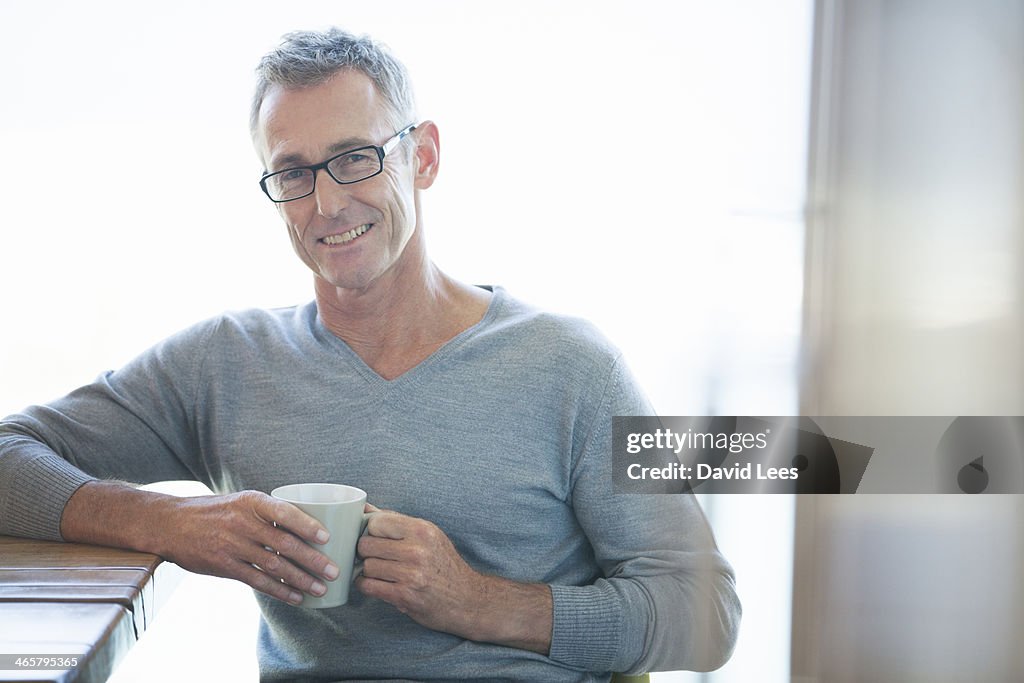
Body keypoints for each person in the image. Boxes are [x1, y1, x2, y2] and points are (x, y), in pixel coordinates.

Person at [0, 28, 740, 682]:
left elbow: (705, 610)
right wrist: (171, 523)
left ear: (423, 157)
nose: (326, 204)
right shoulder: (224, 363)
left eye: (354, 158)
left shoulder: (572, 366)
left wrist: (477, 599)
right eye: (293, 173)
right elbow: (8, 455)